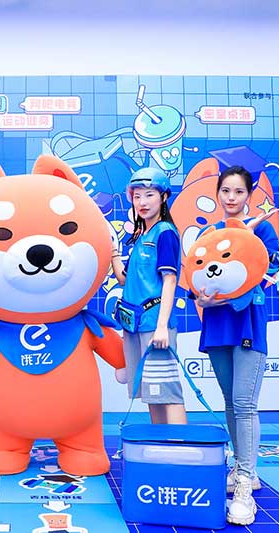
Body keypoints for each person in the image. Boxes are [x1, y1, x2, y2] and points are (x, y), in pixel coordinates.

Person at [194, 165, 279, 526]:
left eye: (239, 191)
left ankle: (245, 481)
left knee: (245, 404)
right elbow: (196, 275)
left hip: (247, 322)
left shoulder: (261, 229)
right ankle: (242, 468)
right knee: (230, 401)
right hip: (217, 325)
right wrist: (200, 298)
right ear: (218, 193)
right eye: (226, 191)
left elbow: (269, 268)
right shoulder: (209, 233)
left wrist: (247, 235)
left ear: (249, 195)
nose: (231, 198)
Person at [111, 167, 187, 425]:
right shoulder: (141, 236)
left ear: (163, 197)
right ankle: (161, 443)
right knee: (151, 393)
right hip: (135, 325)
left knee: (168, 393)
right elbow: (125, 279)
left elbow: (170, 280)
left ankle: (179, 445)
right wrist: (112, 252)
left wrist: (162, 326)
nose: (142, 202)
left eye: (149, 195)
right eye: (137, 196)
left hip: (155, 326)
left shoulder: (164, 232)